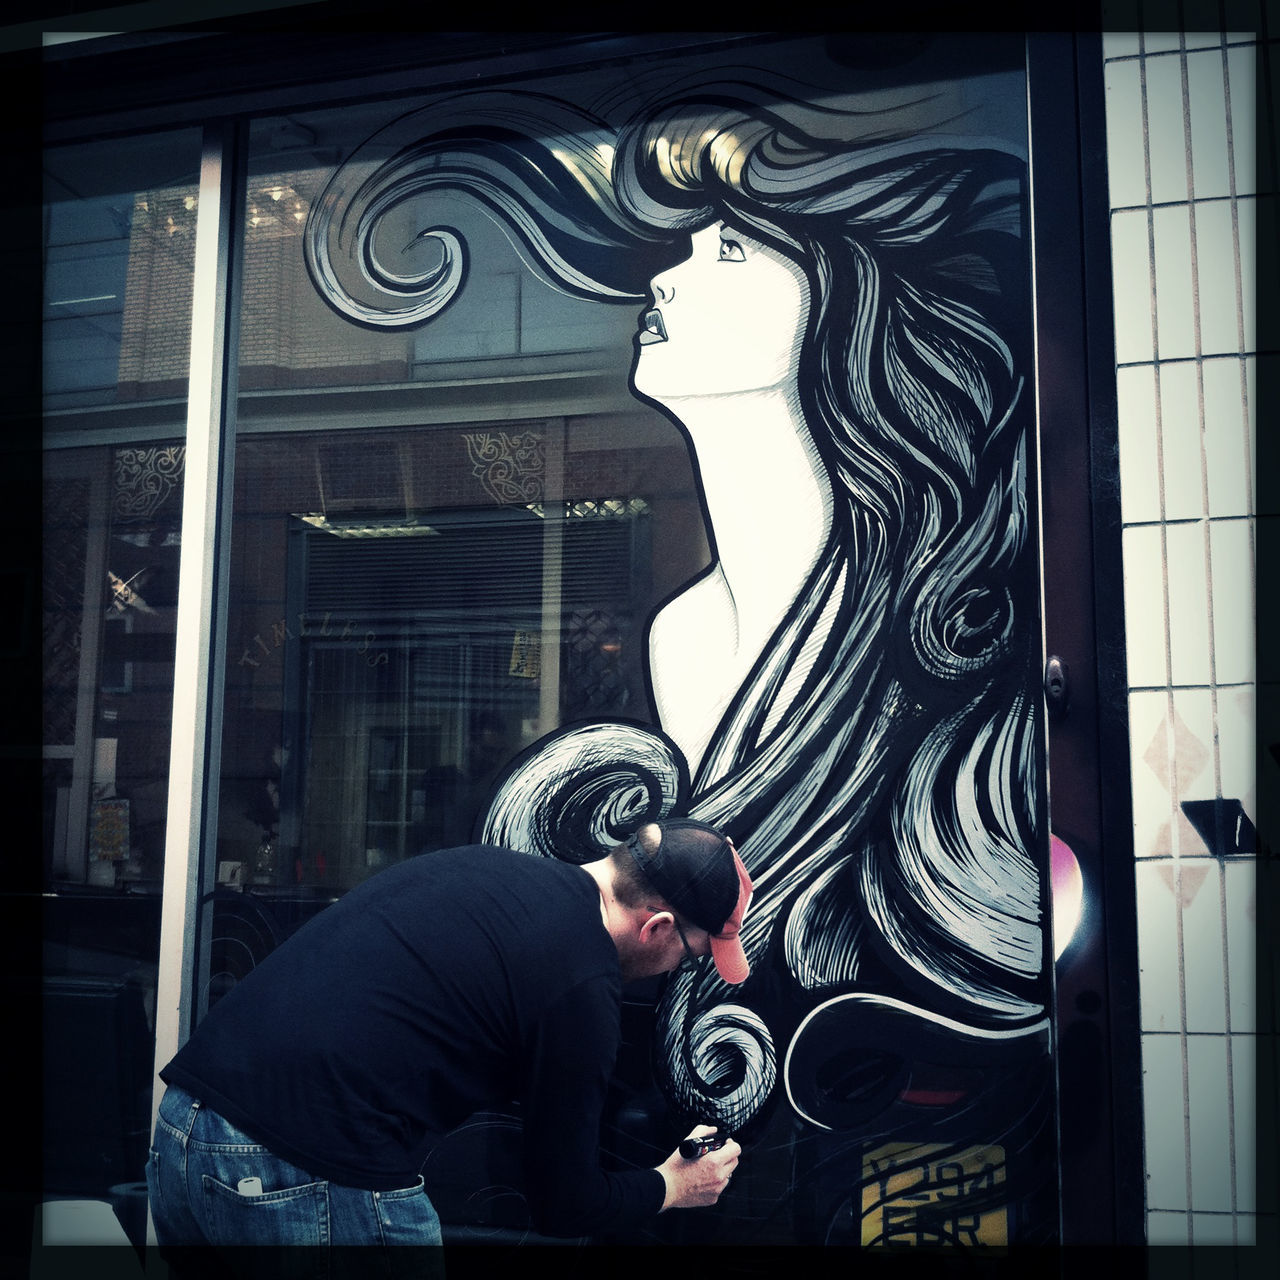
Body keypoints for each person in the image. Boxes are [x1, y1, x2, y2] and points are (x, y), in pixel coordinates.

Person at [304, 56, 1053, 1237]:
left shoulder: (943, 622)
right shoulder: (679, 633)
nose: (670, 268)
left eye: (731, 249)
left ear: (839, 307)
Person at [145, 818, 752, 1258]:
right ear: (659, 926)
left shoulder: (481, 868)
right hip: (302, 1175)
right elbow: (566, 1203)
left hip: (184, 1132)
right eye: (693, 954)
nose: (680, 969)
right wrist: (673, 1185)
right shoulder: (581, 983)